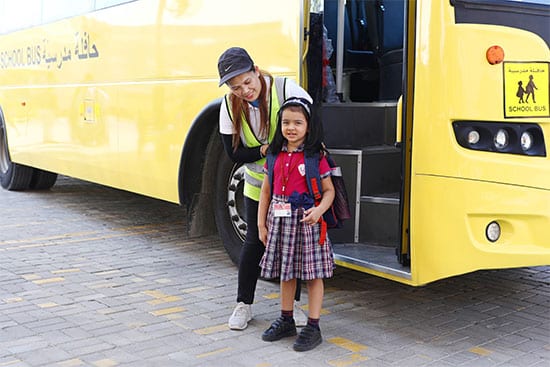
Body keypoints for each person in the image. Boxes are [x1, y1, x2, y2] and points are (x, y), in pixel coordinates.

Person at [217, 47, 311, 330]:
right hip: (258, 187)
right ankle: (243, 305)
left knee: (288, 246)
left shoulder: (288, 90)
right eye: (236, 88)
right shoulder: (228, 105)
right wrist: (265, 150)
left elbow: (313, 133)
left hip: (290, 190)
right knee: (253, 244)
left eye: (247, 82)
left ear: (256, 70)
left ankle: (291, 307)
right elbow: (235, 155)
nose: (244, 90)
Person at [258, 97, 335, 352]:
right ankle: (286, 318)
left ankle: (313, 325)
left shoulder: (315, 157)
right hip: (279, 222)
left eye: (298, 123)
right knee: (285, 271)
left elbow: (329, 191)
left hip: (308, 222)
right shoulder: (273, 155)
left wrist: (319, 210)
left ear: (309, 127)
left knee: (313, 275)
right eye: (286, 122)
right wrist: (261, 225)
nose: (291, 128)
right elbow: (266, 193)